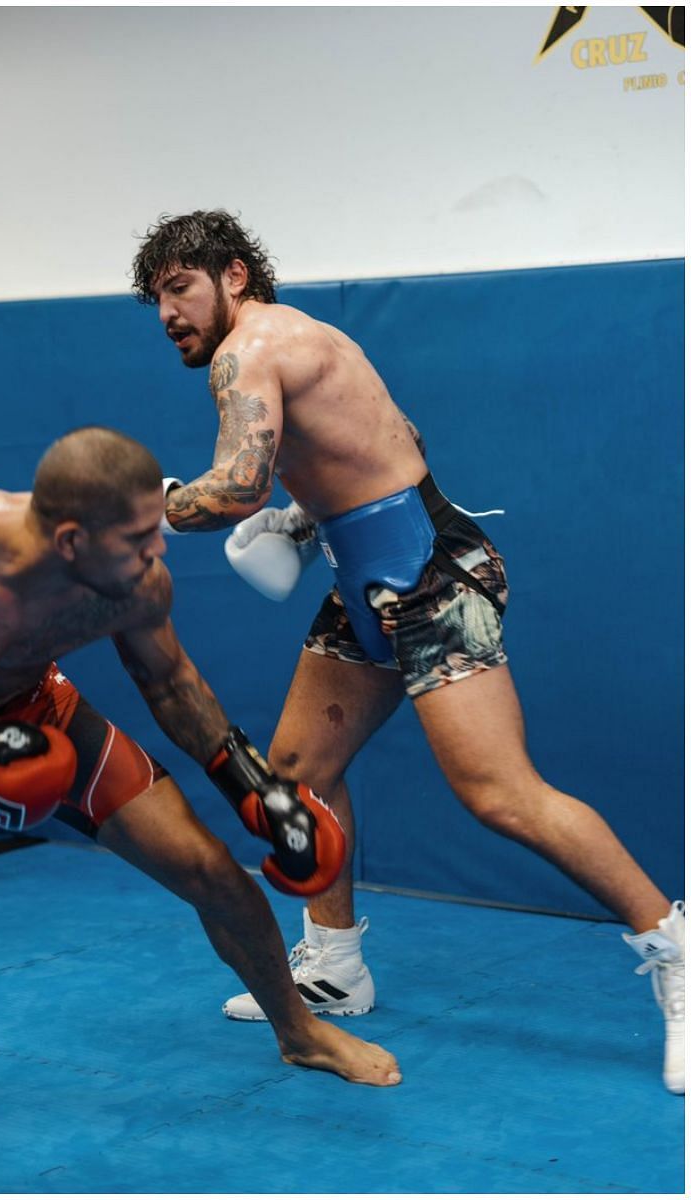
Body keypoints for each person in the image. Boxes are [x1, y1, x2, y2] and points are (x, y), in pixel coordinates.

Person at [0, 426, 401, 1194]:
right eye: (140, 536)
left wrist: (252, 783)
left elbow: (171, 684)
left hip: (32, 713)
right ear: (72, 538)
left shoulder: (135, 582)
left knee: (208, 868)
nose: (160, 551)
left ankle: (300, 1031)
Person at [134, 209, 684, 1093]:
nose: (166, 313)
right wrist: (310, 519)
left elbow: (236, 483)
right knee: (298, 768)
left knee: (500, 793)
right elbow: (404, 442)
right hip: (375, 574)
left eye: (178, 288)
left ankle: (677, 946)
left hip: (431, 574)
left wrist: (151, 502)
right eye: (155, 298)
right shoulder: (311, 339)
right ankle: (337, 963)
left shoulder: (252, 349)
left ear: (233, 275)